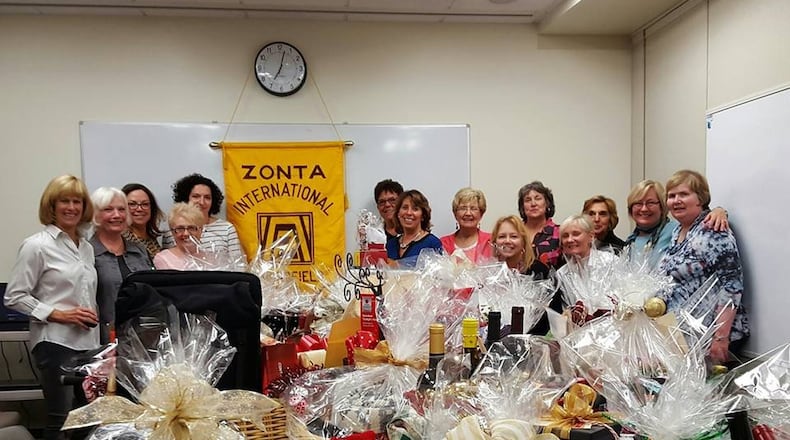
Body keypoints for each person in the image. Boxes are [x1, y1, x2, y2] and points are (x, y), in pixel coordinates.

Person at [4, 175, 99, 440]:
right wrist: (59, 314)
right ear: (51, 206)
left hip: (87, 345)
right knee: (61, 418)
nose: (71, 207)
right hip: (55, 343)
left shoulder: (87, 248)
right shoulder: (37, 245)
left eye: (77, 201)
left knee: (86, 419)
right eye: (64, 201)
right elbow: (14, 296)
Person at [658, 170, 748, 363]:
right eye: (671, 196)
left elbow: (732, 285)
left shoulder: (713, 230)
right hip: (684, 335)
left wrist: (720, 338)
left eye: (683, 194)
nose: (676, 200)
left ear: (701, 198)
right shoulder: (677, 231)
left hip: (710, 337)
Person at [89, 187, 152, 344]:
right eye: (108, 209)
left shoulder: (140, 251)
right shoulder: (86, 253)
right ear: (95, 214)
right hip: (102, 341)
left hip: (143, 339)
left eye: (121, 209)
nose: (117, 215)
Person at [625, 179, 729, 269]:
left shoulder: (676, 230)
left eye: (651, 203)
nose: (644, 209)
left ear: (662, 206)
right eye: (638, 203)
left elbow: (701, 219)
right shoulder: (631, 241)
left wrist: (719, 211)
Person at [162, 174, 245, 262]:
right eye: (196, 196)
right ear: (185, 198)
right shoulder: (172, 231)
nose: (202, 202)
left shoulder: (226, 229)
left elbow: (239, 264)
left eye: (207, 197)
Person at [385, 189, 443, 267]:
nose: (409, 213)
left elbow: (437, 275)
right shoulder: (391, 244)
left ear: (423, 216)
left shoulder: (432, 243)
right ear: (398, 213)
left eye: (415, 209)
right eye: (405, 208)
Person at [440, 188, 492, 264]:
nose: (468, 213)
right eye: (463, 208)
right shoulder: (443, 243)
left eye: (473, 209)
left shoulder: (491, 241)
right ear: (455, 214)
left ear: (481, 214)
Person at [518, 181, 563, 269]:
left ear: (547, 203)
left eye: (538, 198)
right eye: (528, 200)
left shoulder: (560, 233)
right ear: (522, 207)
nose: (533, 204)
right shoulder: (514, 231)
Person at [154, 203, 206, 270]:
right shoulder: (163, 258)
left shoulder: (210, 258)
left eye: (191, 228)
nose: (186, 233)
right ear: (172, 232)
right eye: (180, 229)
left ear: (201, 230)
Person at [121, 182, 164, 259]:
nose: (139, 209)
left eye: (145, 204)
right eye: (132, 204)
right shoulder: (121, 241)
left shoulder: (153, 239)